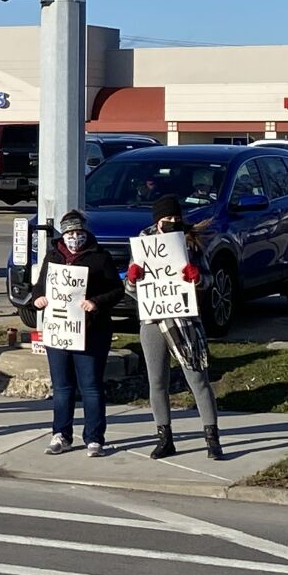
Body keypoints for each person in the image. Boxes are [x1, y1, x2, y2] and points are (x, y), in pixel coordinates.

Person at [125, 194, 225, 461]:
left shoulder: (189, 244)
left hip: (185, 320)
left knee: (197, 379)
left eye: (176, 219)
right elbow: (132, 289)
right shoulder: (141, 245)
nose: (172, 223)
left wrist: (196, 277)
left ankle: (212, 439)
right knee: (157, 382)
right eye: (167, 219)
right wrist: (133, 279)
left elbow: (209, 279)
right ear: (157, 221)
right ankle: (164, 437)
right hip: (153, 321)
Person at [30, 209, 123, 457]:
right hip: (59, 331)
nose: (74, 237)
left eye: (79, 231)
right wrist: (38, 298)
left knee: (91, 387)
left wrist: (96, 302)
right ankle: (61, 434)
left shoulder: (100, 257)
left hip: (92, 332)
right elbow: (39, 286)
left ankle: (94, 438)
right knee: (62, 387)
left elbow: (117, 290)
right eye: (70, 232)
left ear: (85, 232)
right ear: (63, 234)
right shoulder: (52, 257)